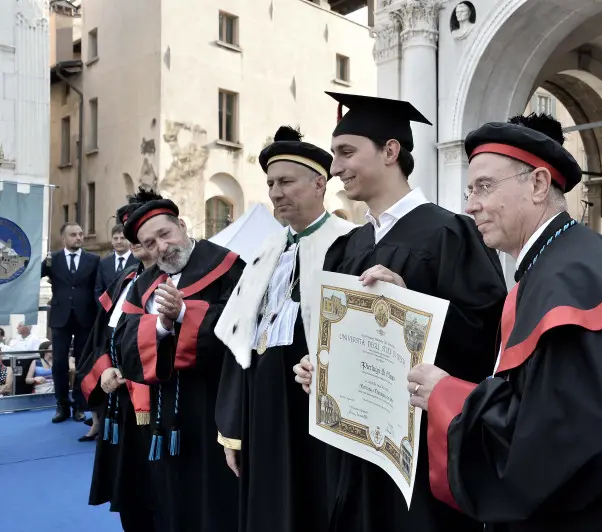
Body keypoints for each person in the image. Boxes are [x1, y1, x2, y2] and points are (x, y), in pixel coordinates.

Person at [405, 113, 602, 531]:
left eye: (484, 186)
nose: (469, 205)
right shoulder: (565, 262)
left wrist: (448, 396)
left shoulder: (564, 282)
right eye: (469, 190)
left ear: (537, 185)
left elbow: (563, 442)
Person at [294, 92, 507, 532]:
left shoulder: (450, 233)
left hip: (422, 454)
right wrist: (323, 369)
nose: (335, 169)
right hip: (358, 446)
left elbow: (488, 338)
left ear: (390, 151)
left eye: (346, 152)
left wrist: (411, 305)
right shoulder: (351, 245)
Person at [215, 126, 355, 532]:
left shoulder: (351, 243)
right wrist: (233, 427)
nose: (276, 192)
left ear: (318, 184)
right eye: (271, 183)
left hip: (315, 403)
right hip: (263, 405)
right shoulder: (264, 252)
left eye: (286, 182)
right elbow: (237, 342)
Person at [114, 198, 245, 532]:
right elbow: (123, 345)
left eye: (165, 234)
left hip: (214, 405)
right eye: (150, 243)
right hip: (165, 415)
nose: (162, 246)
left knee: (216, 501)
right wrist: (161, 326)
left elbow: (244, 327)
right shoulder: (145, 285)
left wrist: (186, 314)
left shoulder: (228, 266)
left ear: (182, 226)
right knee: (172, 500)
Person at [77, 190, 165, 530]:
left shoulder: (181, 280)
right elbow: (99, 339)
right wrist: (104, 373)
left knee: (162, 495)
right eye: (132, 231)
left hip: (163, 407)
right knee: (131, 494)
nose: (138, 239)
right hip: (123, 406)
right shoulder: (124, 282)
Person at [41, 222, 100, 423]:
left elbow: (97, 287)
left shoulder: (93, 260)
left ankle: (80, 406)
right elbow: (35, 274)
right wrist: (43, 263)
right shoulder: (53, 259)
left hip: (85, 317)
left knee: (83, 364)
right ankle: (62, 406)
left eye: (81, 234)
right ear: (63, 239)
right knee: (59, 364)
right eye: (73, 234)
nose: (78, 238)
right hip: (60, 317)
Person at [95, 224, 139, 306]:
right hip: (107, 312)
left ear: (129, 240)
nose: (119, 241)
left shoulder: (138, 261)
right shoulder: (104, 263)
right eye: (115, 238)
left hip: (130, 311)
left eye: (122, 238)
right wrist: (103, 309)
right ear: (112, 241)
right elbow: (98, 290)